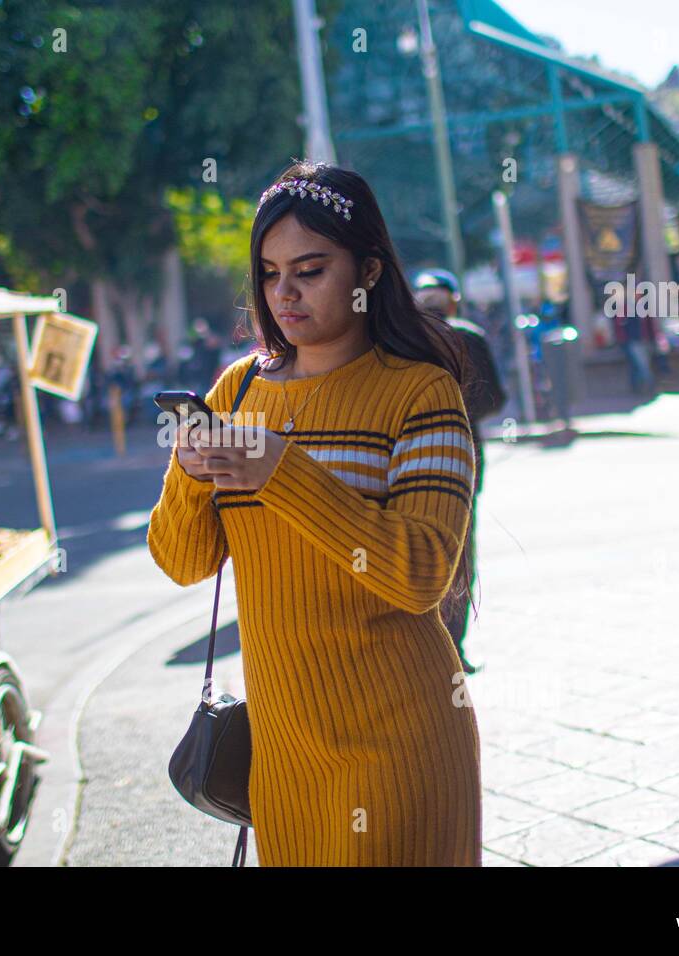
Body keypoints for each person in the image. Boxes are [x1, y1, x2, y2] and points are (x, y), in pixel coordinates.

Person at [148, 161, 481, 866]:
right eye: (269, 273)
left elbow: (421, 573)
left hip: (399, 744)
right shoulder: (239, 389)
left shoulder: (420, 393)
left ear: (367, 272)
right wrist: (186, 470)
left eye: (309, 269)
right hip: (282, 755)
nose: (284, 293)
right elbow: (183, 562)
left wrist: (283, 472)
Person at [412, 267, 505, 674]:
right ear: (454, 300)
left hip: (408, 462)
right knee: (460, 556)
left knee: (414, 553)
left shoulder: (398, 339)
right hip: (463, 460)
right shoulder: (468, 337)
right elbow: (494, 398)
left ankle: (425, 651)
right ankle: (452, 649)